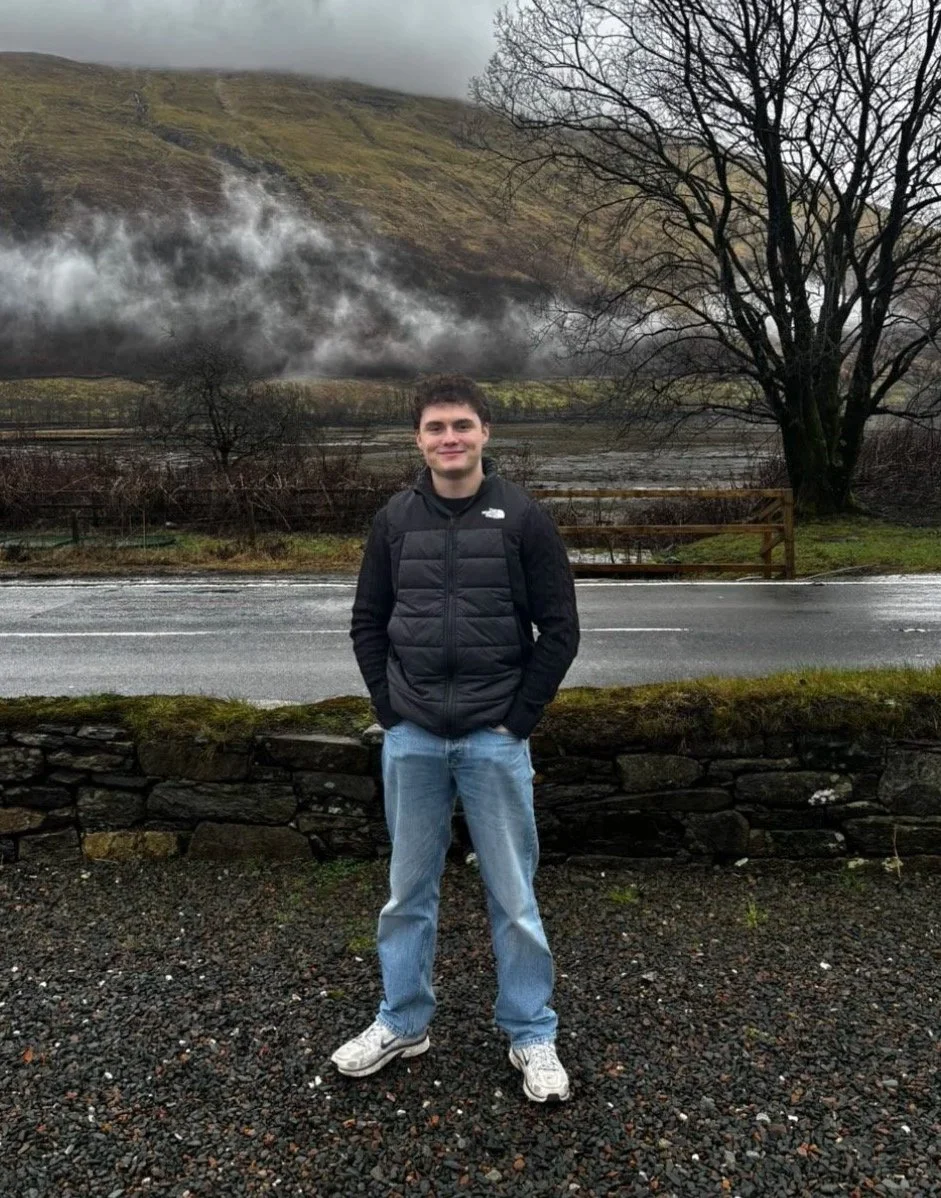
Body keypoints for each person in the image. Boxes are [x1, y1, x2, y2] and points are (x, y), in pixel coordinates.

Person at [332, 373, 580, 1103]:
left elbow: (559, 630)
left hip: (492, 738)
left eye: (461, 425)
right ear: (418, 438)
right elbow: (367, 622)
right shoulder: (394, 520)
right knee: (406, 894)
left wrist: (518, 719)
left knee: (513, 896)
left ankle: (531, 1033)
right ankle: (402, 1021)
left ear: (484, 433)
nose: (449, 438)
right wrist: (390, 707)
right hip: (411, 737)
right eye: (436, 427)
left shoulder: (524, 518)